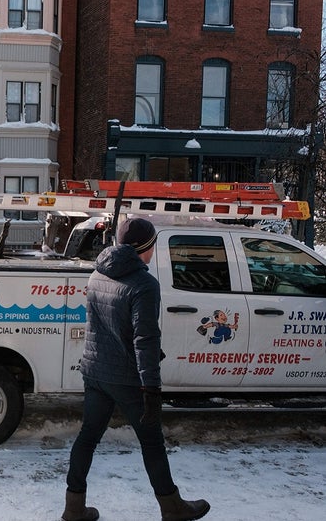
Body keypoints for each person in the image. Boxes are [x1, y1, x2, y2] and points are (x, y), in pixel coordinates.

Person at [61, 217, 210, 521]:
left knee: (87, 437)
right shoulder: (144, 284)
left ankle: (73, 507)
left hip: (95, 372)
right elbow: (146, 339)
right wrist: (152, 387)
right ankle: (172, 507)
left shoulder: (96, 275)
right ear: (147, 247)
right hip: (127, 378)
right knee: (152, 442)